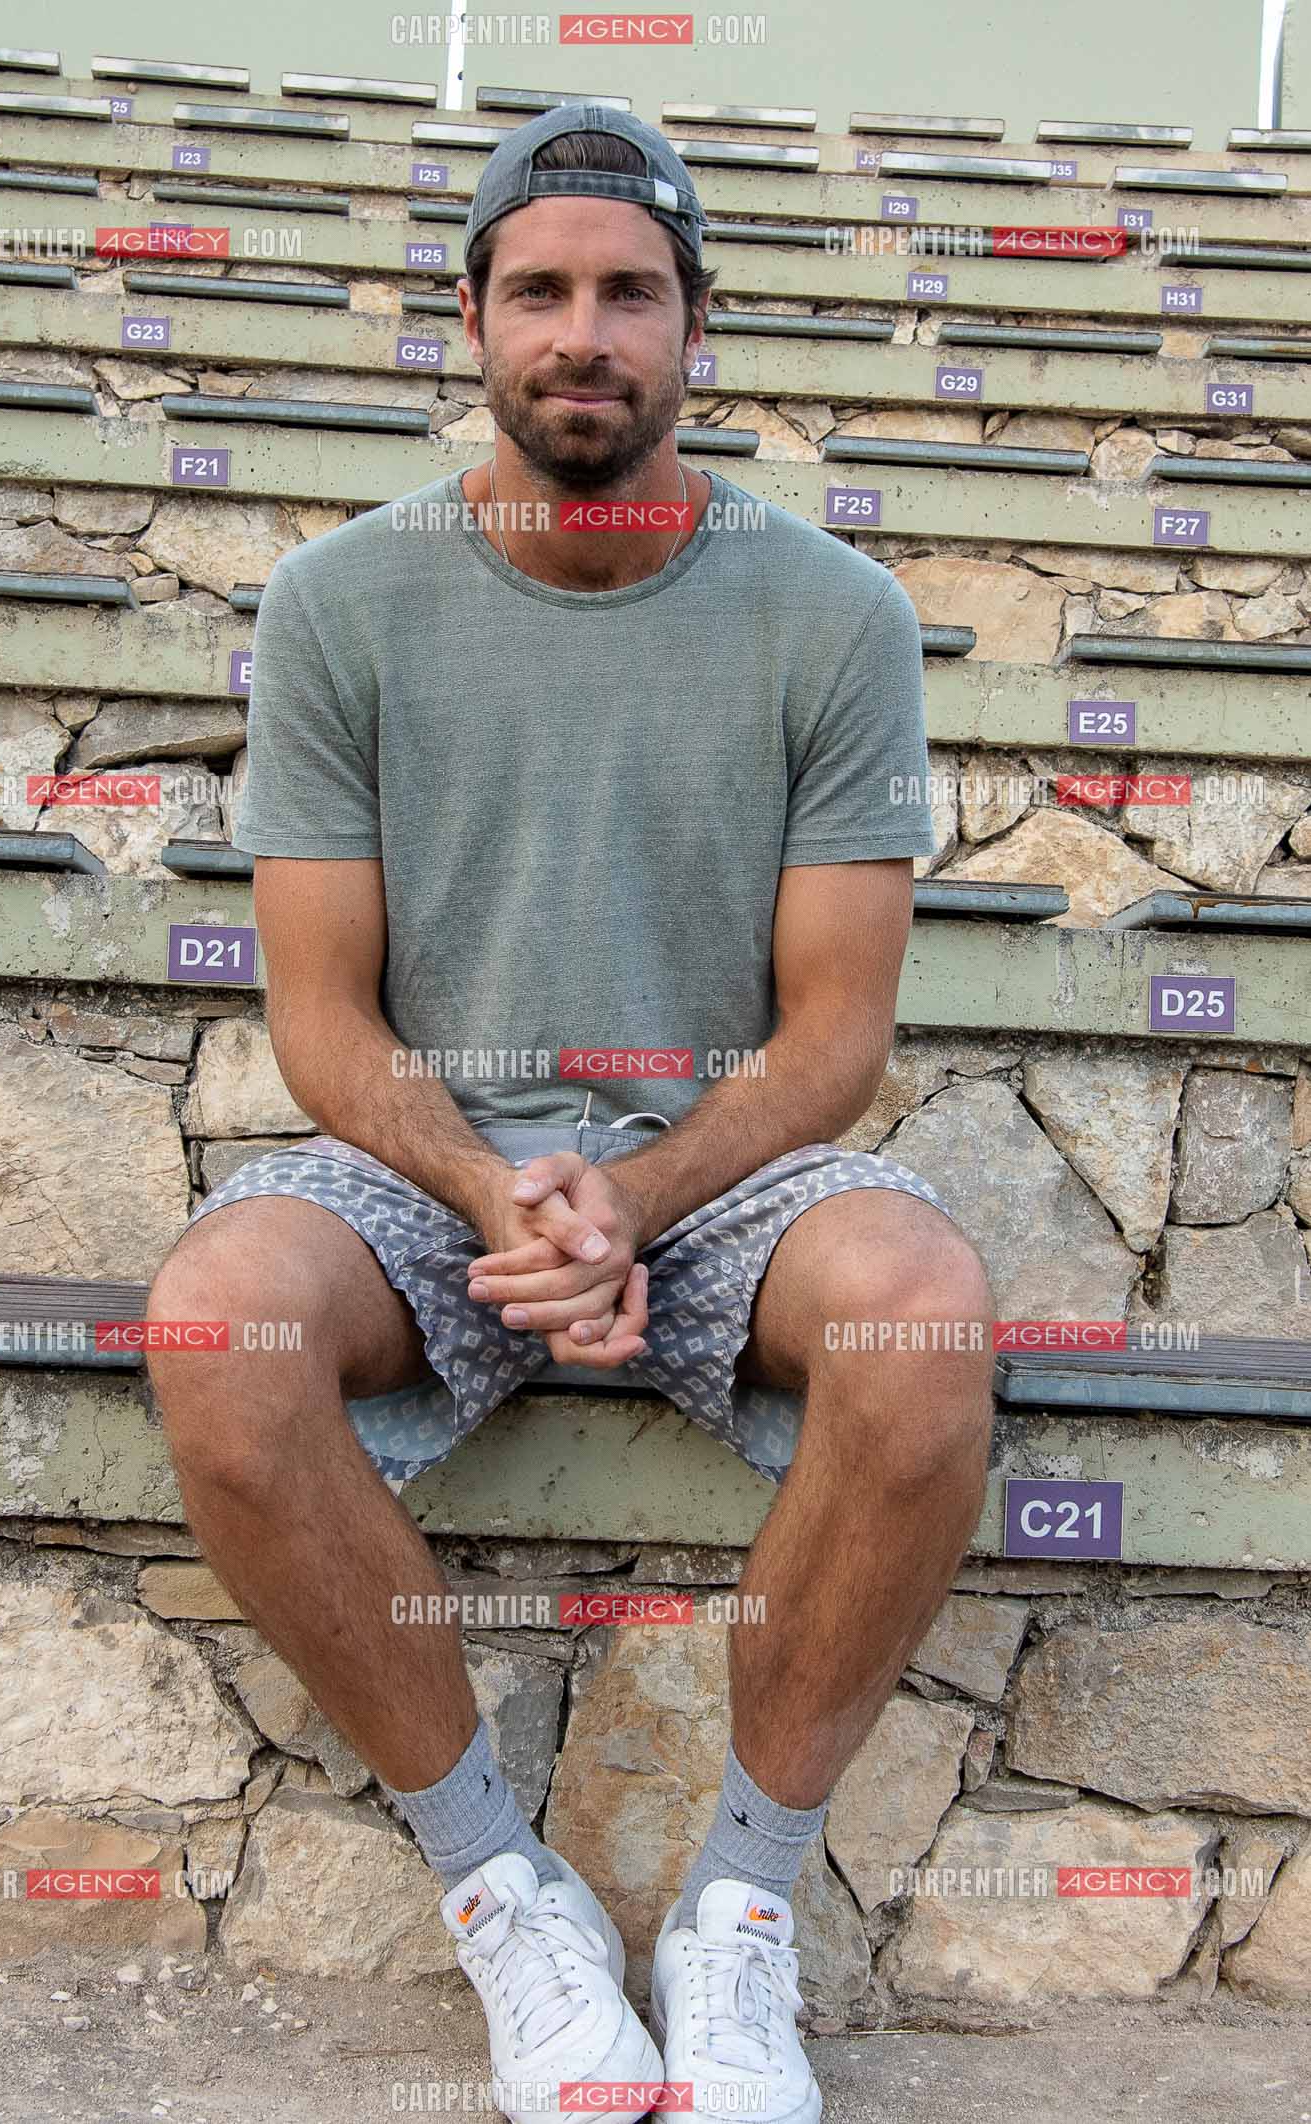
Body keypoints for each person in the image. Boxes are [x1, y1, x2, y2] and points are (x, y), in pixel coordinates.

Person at [145, 102, 996, 2124]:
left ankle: (738, 1918)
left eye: (632, 291)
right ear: (472, 319)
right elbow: (325, 1021)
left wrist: (630, 1197)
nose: (584, 331)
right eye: (542, 289)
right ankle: (501, 1890)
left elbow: (834, 1041)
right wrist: (488, 1187)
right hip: (423, 1162)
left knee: (927, 1317)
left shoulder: (834, 618)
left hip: (728, 1173)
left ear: (699, 326)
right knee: (216, 1322)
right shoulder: (350, 601)